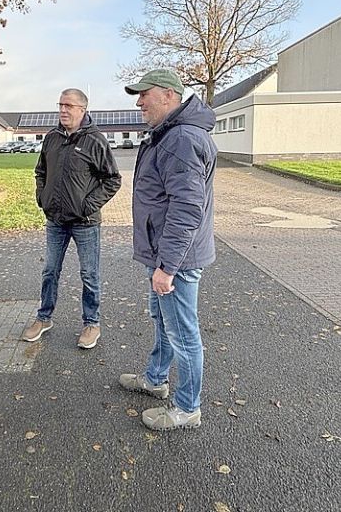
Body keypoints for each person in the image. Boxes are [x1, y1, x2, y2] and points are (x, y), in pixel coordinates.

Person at [118, 69, 217, 431]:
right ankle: (155, 379)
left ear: (169, 96)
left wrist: (168, 267)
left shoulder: (180, 140)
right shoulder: (168, 136)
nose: (139, 102)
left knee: (183, 333)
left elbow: (187, 207)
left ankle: (188, 408)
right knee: (164, 322)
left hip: (175, 259)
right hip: (164, 253)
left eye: (145, 94)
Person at [23, 88, 122, 349]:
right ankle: (43, 318)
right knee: (49, 270)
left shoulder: (95, 140)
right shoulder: (52, 138)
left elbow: (113, 179)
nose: (63, 110)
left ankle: (92, 323)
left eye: (69, 105)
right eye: (60, 105)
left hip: (85, 222)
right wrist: (42, 196)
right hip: (55, 219)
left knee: (89, 274)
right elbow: (40, 171)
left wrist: (87, 205)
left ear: (82, 109)